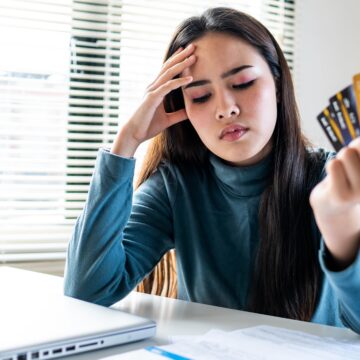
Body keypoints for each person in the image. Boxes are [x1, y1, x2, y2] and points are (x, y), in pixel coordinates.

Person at [64, 7, 360, 333]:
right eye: (201, 96)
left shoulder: (334, 181)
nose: (226, 109)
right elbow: (87, 290)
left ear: (277, 85)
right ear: (182, 106)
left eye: (243, 83)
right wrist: (127, 142)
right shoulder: (175, 186)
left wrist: (342, 237)